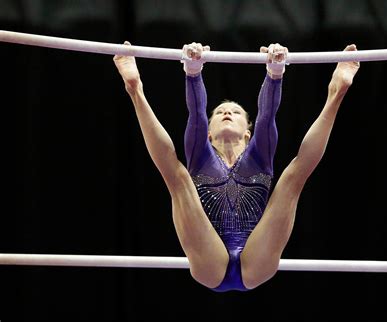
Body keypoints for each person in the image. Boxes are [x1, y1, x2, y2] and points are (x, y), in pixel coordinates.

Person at [113, 41, 360, 292]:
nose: (227, 113)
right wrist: (193, 73)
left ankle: (337, 91)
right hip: (209, 263)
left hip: (257, 260)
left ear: (247, 134)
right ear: (208, 134)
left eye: (236, 112)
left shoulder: (259, 155)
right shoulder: (200, 153)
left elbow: (267, 116)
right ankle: (135, 88)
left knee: (292, 177)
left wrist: (275, 74)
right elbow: (196, 113)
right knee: (177, 176)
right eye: (220, 112)